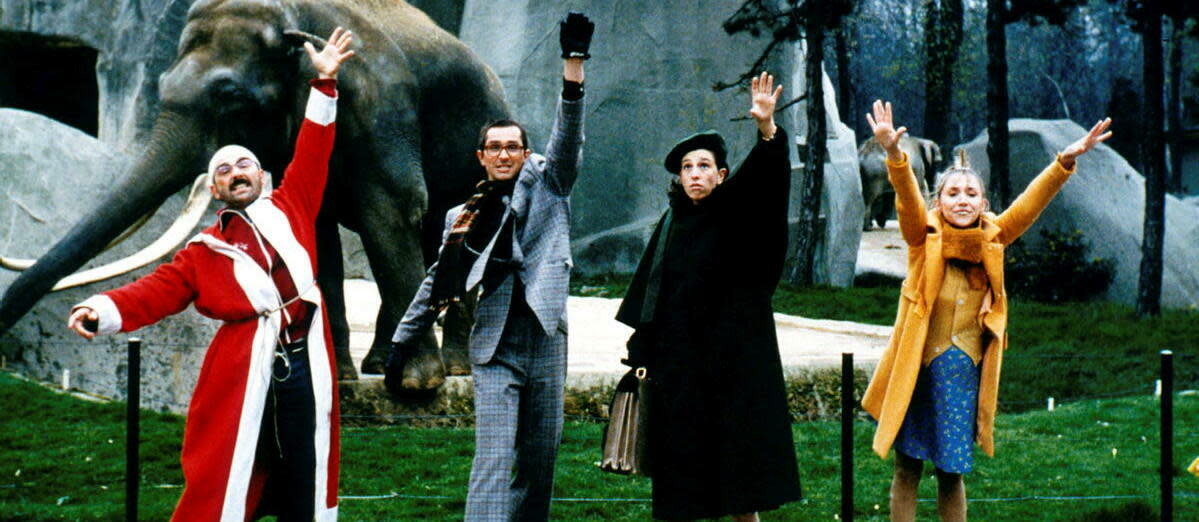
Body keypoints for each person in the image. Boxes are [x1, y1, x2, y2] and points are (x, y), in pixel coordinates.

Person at [66, 28, 355, 522]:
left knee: (307, 463)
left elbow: (313, 147)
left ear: (263, 176)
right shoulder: (204, 251)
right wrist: (102, 308)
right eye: (225, 170)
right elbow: (156, 290)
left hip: (308, 360)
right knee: (231, 466)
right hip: (243, 369)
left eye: (246, 164)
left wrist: (324, 81)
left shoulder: (294, 204)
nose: (237, 172)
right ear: (216, 191)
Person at [859, 100, 1112, 522]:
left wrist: (1063, 162)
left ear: (984, 202)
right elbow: (905, 200)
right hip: (917, 371)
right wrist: (894, 156)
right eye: (952, 193)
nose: (962, 200)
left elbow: (1030, 205)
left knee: (951, 473)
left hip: (961, 377)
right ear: (938, 202)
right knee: (907, 468)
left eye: (971, 193)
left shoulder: (995, 239)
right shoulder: (923, 237)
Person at [387, 12, 593, 521]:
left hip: (546, 338)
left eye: (513, 147)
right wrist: (401, 342)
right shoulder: (464, 217)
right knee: (494, 459)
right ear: (481, 156)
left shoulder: (550, 184)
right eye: (495, 148)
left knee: (539, 462)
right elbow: (437, 282)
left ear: (526, 154)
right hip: (496, 346)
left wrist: (573, 72)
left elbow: (568, 144)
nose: (504, 154)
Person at [615, 72, 802, 521]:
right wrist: (641, 349)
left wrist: (767, 131)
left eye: (704, 166)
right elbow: (653, 294)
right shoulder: (668, 226)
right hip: (682, 372)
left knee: (740, 485)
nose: (695, 174)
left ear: (720, 174)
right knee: (681, 483)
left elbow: (767, 181)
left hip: (734, 366)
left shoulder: (737, 211)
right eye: (687, 168)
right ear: (679, 178)